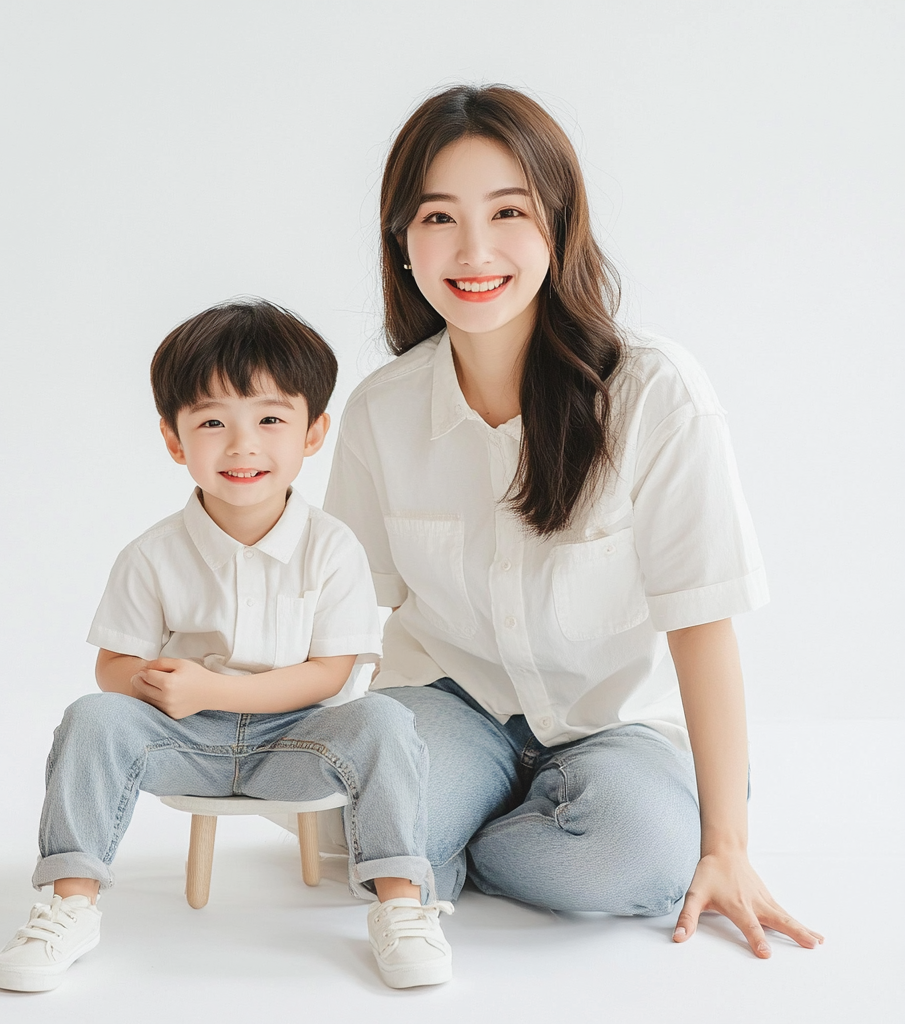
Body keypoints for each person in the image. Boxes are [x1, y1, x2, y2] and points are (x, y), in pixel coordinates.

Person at [324, 85, 824, 958]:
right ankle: (451, 818)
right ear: (401, 242)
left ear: (559, 224)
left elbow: (702, 621)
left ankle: (473, 839)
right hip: (451, 700)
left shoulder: (653, 392)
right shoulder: (381, 411)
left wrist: (726, 847)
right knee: (356, 834)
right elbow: (343, 611)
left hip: (617, 721)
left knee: (639, 861)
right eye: (438, 217)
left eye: (508, 211)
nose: (473, 250)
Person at [0, 299, 453, 993]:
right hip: (185, 743)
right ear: (175, 441)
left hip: (296, 746)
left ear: (313, 432)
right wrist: (169, 689)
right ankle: (69, 902)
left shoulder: (332, 548)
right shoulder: (153, 554)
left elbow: (331, 674)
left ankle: (402, 906)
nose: (242, 446)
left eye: (270, 419)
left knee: (387, 720)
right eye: (212, 422)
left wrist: (216, 688)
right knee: (91, 717)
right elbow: (112, 666)